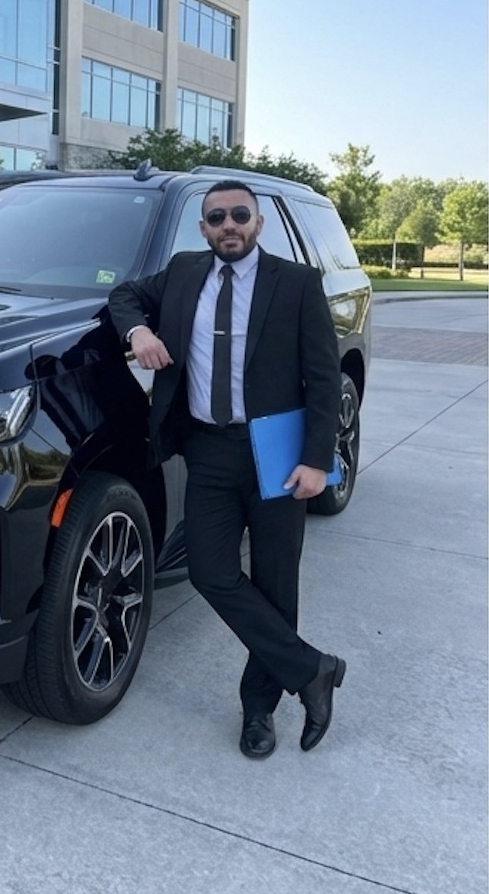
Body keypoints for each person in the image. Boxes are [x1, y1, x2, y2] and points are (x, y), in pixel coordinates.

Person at [108, 179, 346, 758]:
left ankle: (258, 711)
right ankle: (311, 669)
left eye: (240, 215)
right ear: (204, 228)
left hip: (277, 454)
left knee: (274, 582)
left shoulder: (295, 284)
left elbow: (323, 376)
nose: (229, 225)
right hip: (209, 450)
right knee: (212, 572)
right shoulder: (185, 272)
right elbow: (123, 296)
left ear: (258, 223)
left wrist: (317, 461)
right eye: (217, 218)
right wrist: (139, 331)